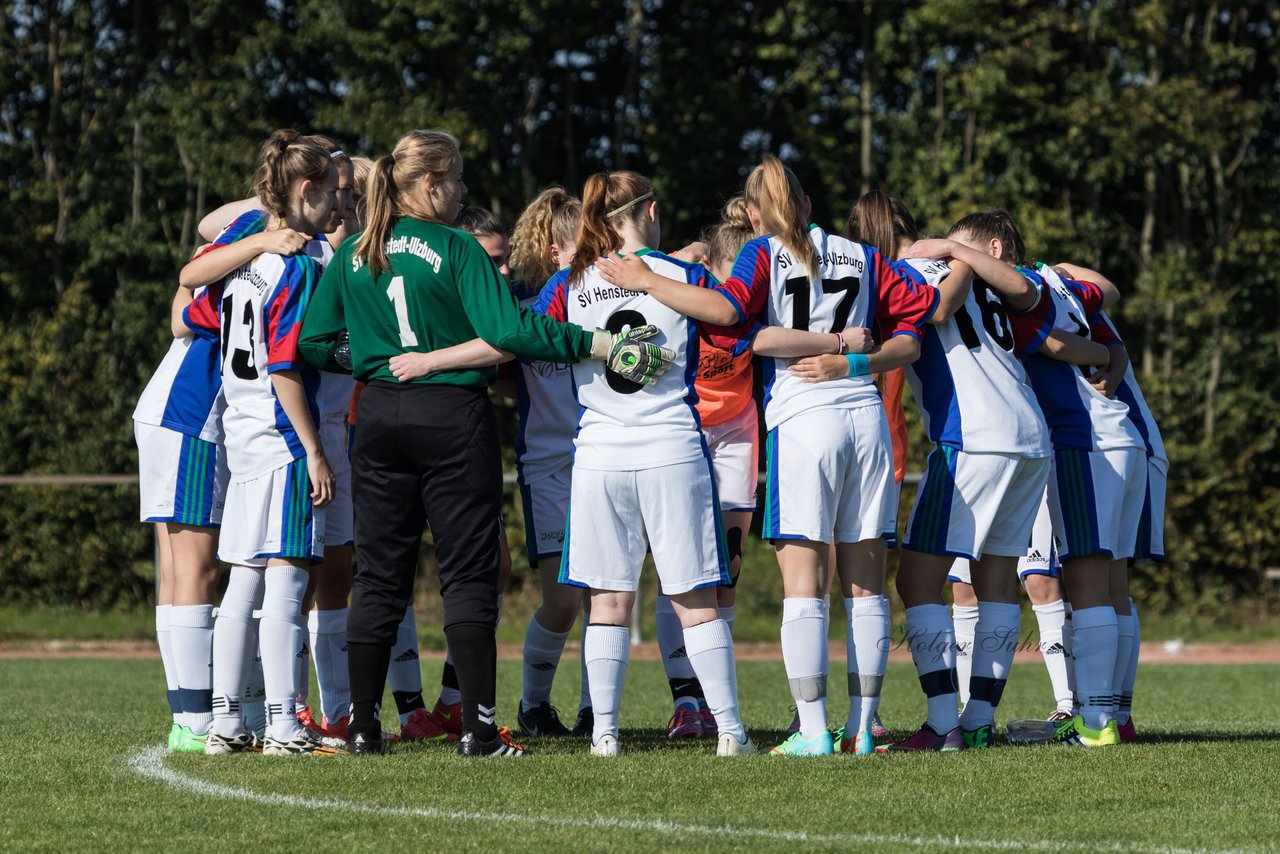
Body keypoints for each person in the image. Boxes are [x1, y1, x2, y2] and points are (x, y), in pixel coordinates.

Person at [297, 130, 675, 757]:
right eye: (460, 179)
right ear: (431, 185)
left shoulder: (355, 250)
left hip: (380, 418)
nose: (465, 190)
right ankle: (476, 728)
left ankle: (363, 726)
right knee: (469, 573)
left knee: (380, 575)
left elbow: (314, 344)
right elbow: (509, 330)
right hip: (451, 413)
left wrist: (370, 360)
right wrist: (601, 344)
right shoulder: (455, 247)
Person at [598, 158, 938, 756]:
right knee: (867, 586)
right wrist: (854, 357)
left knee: (805, 586)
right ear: (807, 204)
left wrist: (649, 282)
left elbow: (731, 319)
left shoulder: (761, 253)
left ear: (754, 213)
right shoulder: (863, 255)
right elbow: (920, 318)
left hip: (803, 419)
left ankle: (812, 731)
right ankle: (862, 731)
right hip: (866, 418)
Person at [533, 170, 754, 757]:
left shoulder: (571, 280)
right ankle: (730, 733)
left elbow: (526, 332)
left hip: (599, 456)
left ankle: (604, 733)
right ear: (650, 211)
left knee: (608, 600)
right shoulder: (680, 275)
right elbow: (731, 317)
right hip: (671, 451)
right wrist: (654, 278)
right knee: (695, 599)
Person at [183, 129, 341, 756]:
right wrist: (316, 450)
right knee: (289, 580)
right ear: (306, 190)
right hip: (281, 439)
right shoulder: (296, 266)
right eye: (330, 193)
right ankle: (282, 724)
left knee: (243, 581)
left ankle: (225, 721)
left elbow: (192, 309)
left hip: (241, 436)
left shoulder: (242, 263)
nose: (336, 206)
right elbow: (283, 368)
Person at [134, 276, 233, 752]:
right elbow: (182, 305)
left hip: (166, 411)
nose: (343, 203)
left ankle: (184, 717)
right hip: (189, 416)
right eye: (337, 194)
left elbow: (189, 275)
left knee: (177, 570)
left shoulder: (239, 245)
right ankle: (194, 721)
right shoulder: (263, 248)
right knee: (198, 568)